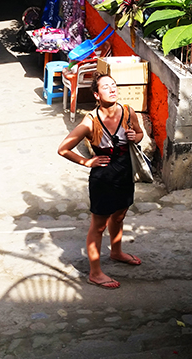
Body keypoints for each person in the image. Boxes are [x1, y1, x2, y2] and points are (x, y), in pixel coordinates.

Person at [58, 73, 145, 289]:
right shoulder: (90, 121)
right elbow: (63, 149)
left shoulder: (128, 111)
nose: (112, 89)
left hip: (125, 172)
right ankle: (95, 273)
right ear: (97, 95)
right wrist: (86, 162)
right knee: (98, 226)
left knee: (120, 215)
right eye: (106, 87)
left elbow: (140, 133)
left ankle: (116, 252)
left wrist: (136, 137)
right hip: (103, 177)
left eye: (113, 85)